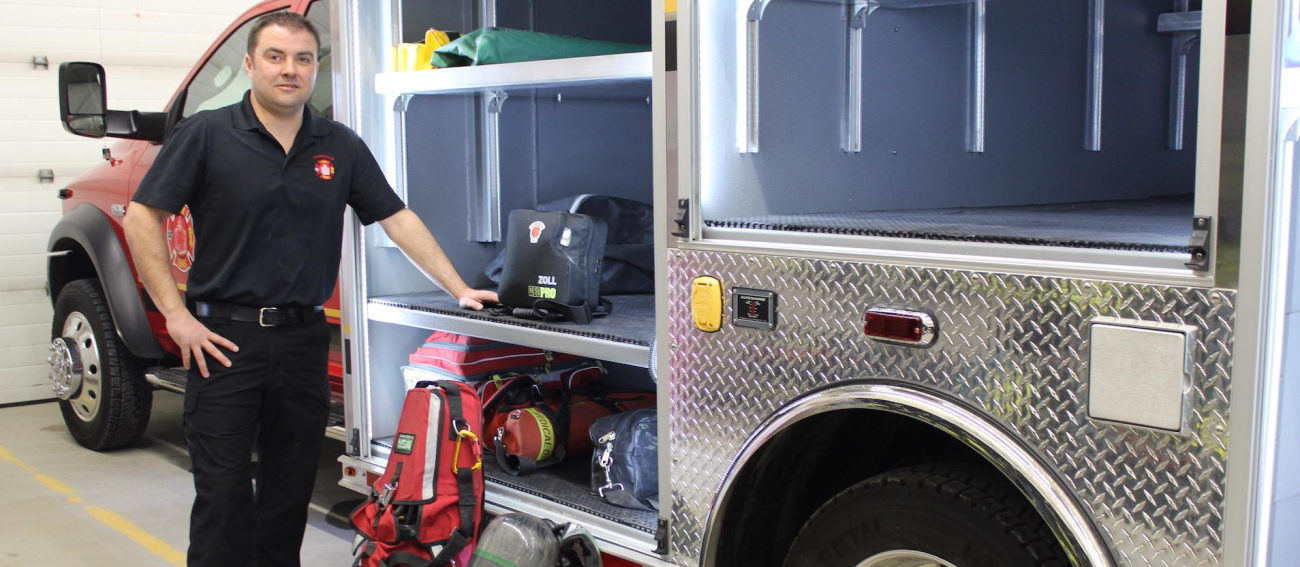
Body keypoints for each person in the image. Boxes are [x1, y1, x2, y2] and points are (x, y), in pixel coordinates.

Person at [122, 12, 497, 567]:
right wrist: (174, 315)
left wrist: (459, 286)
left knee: (287, 495)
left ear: (313, 71)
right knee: (223, 499)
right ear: (250, 65)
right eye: (275, 57)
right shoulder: (206, 135)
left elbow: (395, 216)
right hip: (222, 341)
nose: (289, 70)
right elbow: (141, 216)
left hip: (301, 343)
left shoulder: (337, 145)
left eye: (302, 60)